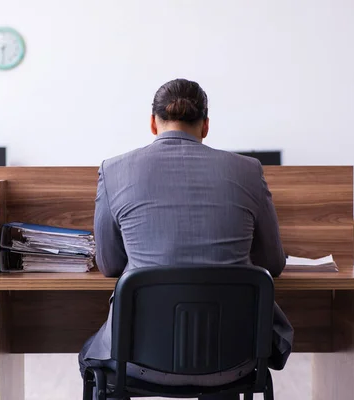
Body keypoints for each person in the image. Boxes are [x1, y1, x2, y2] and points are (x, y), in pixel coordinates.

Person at [79, 78, 293, 400]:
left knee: (95, 357)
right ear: (206, 126)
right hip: (237, 358)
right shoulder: (249, 170)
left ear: (153, 123)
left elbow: (109, 265)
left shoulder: (114, 170)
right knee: (222, 355)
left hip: (137, 361)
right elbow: (273, 263)